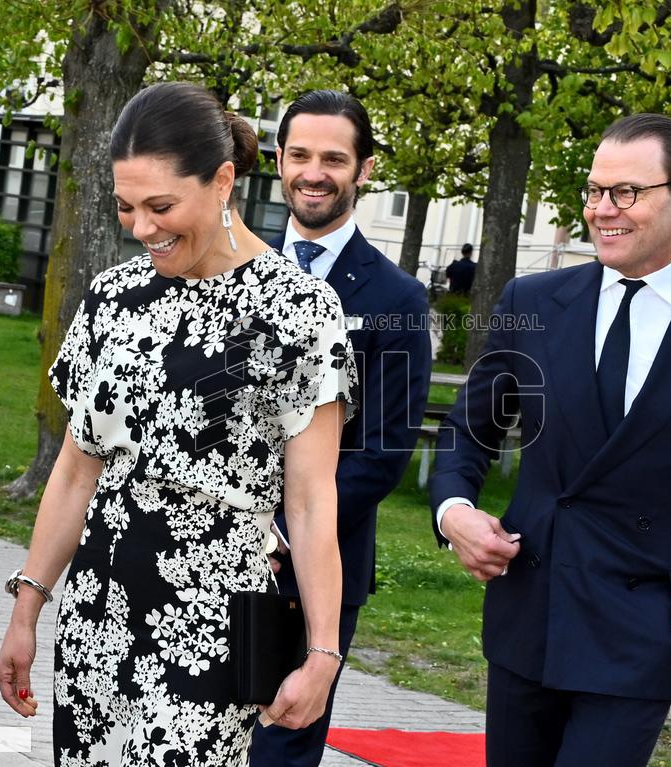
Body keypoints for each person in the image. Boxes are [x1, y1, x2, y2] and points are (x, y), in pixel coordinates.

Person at [0, 82, 359, 766]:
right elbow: (76, 470)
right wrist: (27, 608)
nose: (142, 228)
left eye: (161, 207)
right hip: (97, 609)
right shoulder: (112, 298)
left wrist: (323, 652)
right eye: (126, 207)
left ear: (222, 181)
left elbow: (312, 501)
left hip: (210, 623)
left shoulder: (300, 309)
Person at [430, 113, 671, 767]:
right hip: (530, 609)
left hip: (646, 627)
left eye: (626, 192)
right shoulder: (532, 302)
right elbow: (469, 428)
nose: (603, 209)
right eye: (595, 191)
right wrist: (453, 509)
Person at [249, 90, 432, 766]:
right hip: (200, 553)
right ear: (278, 160)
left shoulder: (397, 299)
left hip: (310, 572)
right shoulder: (230, 267)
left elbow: (381, 453)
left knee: (275, 749)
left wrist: (279, 533)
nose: (314, 173)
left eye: (333, 159)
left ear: (364, 169)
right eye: (299, 155)